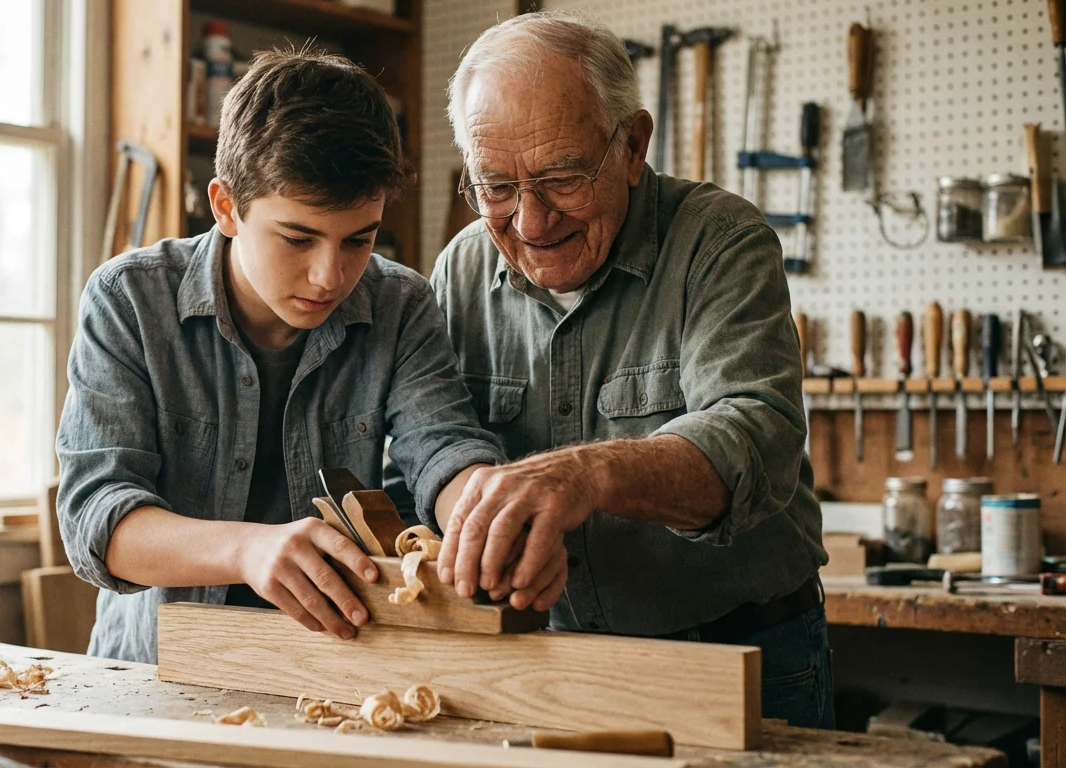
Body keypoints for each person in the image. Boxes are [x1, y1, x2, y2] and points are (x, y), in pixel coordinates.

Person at [405, 12, 832, 727]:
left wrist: (587, 475)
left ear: (632, 146)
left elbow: (757, 438)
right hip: (546, 663)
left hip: (735, 652)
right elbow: (428, 447)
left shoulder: (720, 240)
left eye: (561, 178)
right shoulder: (462, 268)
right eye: (496, 188)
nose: (532, 222)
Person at [57, 47, 504, 664]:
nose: (330, 275)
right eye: (298, 238)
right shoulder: (128, 299)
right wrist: (247, 550)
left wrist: (487, 511)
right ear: (226, 207)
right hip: (154, 671)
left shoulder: (400, 302)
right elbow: (96, 522)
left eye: (359, 239)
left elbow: (443, 450)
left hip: (332, 671)